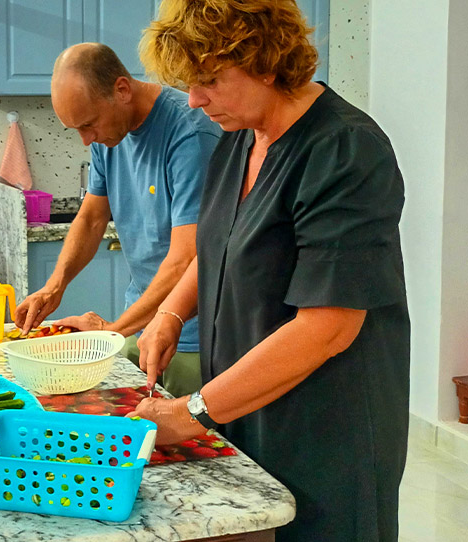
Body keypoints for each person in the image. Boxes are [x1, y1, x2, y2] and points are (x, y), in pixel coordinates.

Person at [132, 1, 410, 540]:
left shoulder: (344, 149)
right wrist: (170, 313)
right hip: (242, 407)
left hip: (325, 431)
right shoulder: (240, 137)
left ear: (264, 61)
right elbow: (219, 244)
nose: (194, 100)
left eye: (210, 80)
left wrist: (191, 413)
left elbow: (328, 327)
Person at [13, 43, 220, 397]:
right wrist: (54, 286)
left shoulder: (191, 135)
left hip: (191, 338)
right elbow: (91, 218)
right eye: (76, 129)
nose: (86, 140)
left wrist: (110, 332)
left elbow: (186, 258)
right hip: (138, 325)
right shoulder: (107, 135)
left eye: (88, 125)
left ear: (122, 89)